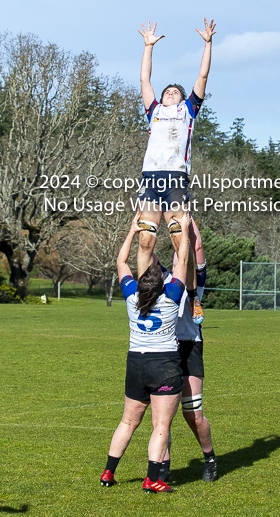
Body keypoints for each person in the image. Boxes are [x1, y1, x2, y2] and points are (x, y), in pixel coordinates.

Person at [100, 210, 191, 493]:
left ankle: (107, 473)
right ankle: (153, 479)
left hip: (135, 364)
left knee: (128, 421)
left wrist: (131, 231)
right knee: (160, 426)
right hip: (164, 364)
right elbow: (183, 260)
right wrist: (184, 230)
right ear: (162, 284)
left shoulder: (131, 296)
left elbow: (120, 261)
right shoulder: (172, 296)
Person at [135, 19, 216, 326]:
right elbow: (145, 81)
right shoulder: (154, 111)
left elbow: (203, 74)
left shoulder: (188, 111)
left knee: (182, 242)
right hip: (150, 179)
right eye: (166, 91)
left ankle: (193, 298)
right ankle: (145, 301)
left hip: (175, 180)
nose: (168, 93)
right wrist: (148, 47)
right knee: (145, 242)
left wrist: (207, 44)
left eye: (173, 92)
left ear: (182, 99)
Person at [155, 219, 217, 483]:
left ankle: (210, 459)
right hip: (166, 347)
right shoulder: (165, 278)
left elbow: (196, 246)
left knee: (193, 414)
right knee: (162, 417)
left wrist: (186, 219)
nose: (180, 249)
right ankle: (164, 468)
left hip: (190, 347)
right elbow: (146, 252)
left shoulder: (196, 279)